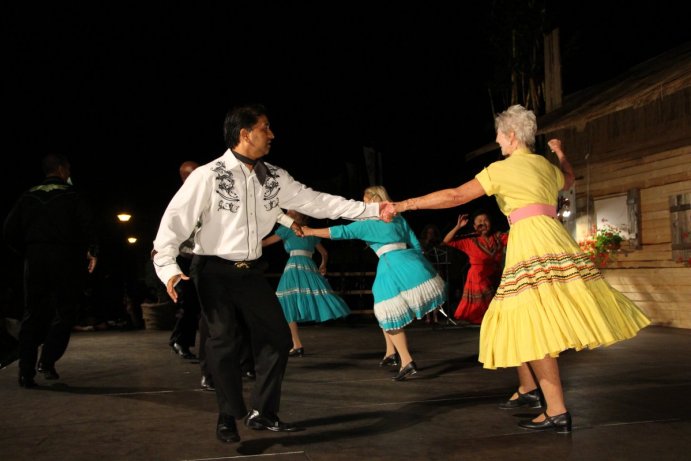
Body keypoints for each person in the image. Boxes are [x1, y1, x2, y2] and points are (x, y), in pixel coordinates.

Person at [383, 104, 651, 433]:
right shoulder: (544, 166)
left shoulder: (502, 169)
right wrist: (561, 153)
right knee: (528, 320)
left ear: (511, 136)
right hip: (554, 238)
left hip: (529, 241)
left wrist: (404, 204)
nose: (498, 142)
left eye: (499, 137)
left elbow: (455, 196)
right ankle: (532, 392)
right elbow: (569, 179)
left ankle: (556, 409)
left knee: (532, 323)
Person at [151, 103, 388, 444]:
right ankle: (228, 416)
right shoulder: (208, 175)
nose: (272, 134)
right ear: (245, 134)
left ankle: (263, 412)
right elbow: (171, 225)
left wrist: (372, 210)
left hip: (250, 272)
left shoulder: (274, 177)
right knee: (223, 340)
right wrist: (170, 271)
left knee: (277, 337)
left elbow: (318, 202)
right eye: (266, 128)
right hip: (213, 270)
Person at [301, 186, 447, 381]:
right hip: (410, 261)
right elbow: (414, 241)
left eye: (365, 202)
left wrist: (310, 231)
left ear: (374, 200)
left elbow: (339, 231)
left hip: (391, 265)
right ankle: (390, 352)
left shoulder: (368, 224)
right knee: (384, 305)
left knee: (387, 311)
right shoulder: (398, 217)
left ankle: (406, 360)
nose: (362, 206)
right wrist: (419, 262)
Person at [3, 153, 99, 388]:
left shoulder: (28, 196)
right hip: (64, 257)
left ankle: (25, 373)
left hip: (35, 257)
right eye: (68, 169)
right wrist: (92, 251)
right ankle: (46, 361)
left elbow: (8, 230)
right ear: (61, 169)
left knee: (31, 314)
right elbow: (88, 225)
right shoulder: (71, 195)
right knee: (65, 311)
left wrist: (26, 251)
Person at [262, 210, 351, 356]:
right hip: (309, 266)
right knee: (313, 296)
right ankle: (296, 344)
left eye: (289, 212)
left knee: (286, 302)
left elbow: (265, 242)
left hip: (294, 266)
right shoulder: (310, 231)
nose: (286, 213)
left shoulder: (287, 229)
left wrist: (246, 244)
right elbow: (325, 253)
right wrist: (323, 265)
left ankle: (296, 344)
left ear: (295, 215)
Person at [442, 211, 508, 325]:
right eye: (479, 221)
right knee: (485, 307)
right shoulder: (470, 240)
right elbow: (446, 241)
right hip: (478, 277)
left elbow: (515, 238)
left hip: (496, 274)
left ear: (490, 223)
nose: (483, 223)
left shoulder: (498, 237)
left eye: (485, 220)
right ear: (474, 226)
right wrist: (458, 227)